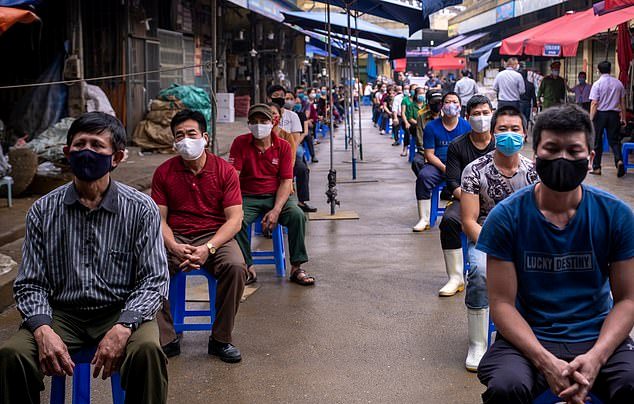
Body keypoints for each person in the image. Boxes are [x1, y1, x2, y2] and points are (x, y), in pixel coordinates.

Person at [0, 112, 169, 403]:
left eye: (96, 145)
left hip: (121, 308)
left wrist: (125, 324)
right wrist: (42, 329)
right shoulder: (43, 210)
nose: (86, 152)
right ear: (67, 153)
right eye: (79, 144)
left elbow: (153, 280)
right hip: (62, 314)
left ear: (116, 158)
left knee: (148, 352)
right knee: (13, 355)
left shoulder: (141, 209)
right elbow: (30, 283)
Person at [476, 104, 634, 403]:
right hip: (528, 337)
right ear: (535, 158)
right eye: (552, 148)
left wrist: (597, 357)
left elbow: (627, 300)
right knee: (506, 387)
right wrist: (545, 362)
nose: (562, 157)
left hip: (596, 334)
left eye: (573, 150)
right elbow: (501, 305)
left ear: (589, 159)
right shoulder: (506, 217)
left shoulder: (616, 215)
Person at [151, 110, 246, 363]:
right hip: (177, 235)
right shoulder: (164, 172)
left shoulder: (224, 171)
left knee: (236, 267)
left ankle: (221, 339)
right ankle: (167, 339)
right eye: (179, 135)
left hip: (215, 236)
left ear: (205, 137)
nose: (185, 140)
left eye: (191, 134)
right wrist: (172, 245)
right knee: (147, 266)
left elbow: (234, 220)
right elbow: (158, 219)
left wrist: (209, 248)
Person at [460, 105, 539, 372]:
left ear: (524, 134)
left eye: (514, 129)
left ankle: (538, 336)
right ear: (493, 134)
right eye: (502, 129)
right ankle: (478, 342)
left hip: (526, 239)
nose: (509, 135)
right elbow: (469, 221)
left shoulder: (534, 172)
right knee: (481, 272)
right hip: (486, 237)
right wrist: (499, 245)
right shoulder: (474, 171)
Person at [229, 104, 315, 286]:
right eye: (254, 121)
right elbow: (233, 176)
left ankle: (296, 267)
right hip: (248, 196)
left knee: (297, 216)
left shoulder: (283, 146)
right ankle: (248, 266)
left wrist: (276, 210)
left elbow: (285, 182)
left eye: (263, 121)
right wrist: (232, 204)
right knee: (235, 220)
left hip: (277, 195)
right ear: (249, 124)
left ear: (273, 122)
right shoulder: (240, 143)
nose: (259, 125)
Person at [437, 95, 496, 298]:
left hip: (498, 200)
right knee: (449, 220)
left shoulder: (502, 142)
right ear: (467, 117)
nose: (481, 118)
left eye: (485, 113)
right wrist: (473, 199)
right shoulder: (457, 145)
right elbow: (452, 181)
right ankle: (455, 276)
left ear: (492, 114)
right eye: (476, 114)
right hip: (464, 197)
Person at [412, 92, 471, 232]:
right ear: (442, 106)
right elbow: (429, 154)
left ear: (460, 106)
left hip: (460, 167)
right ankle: (424, 218)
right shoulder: (432, 127)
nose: (451, 105)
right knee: (423, 177)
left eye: (455, 102)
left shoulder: (466, 127)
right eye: (448, 102)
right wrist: (445, 168)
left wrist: (456, 169)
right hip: (437, 166)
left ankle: (468, 216)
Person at [589, 60, 627, 177]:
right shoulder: (618, 83)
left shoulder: (597, 84)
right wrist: (623, 118)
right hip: (614, 115)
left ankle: (597, 168)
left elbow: (594, 103)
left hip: (600, 114)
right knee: (614, 141)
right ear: (610, 70)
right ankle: (619, 161)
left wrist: (591, 118)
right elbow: (622, 103)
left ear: (599, 70)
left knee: (597, 141)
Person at [412, 89, 443, 175]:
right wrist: (428, 155)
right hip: (427, 150)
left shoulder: (448, 116)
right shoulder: (421, 117)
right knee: (417, 162)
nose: (437, 104)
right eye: (434, 102)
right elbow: (420, 140)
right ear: (428, 103)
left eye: (440, 102)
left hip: (444, 150)